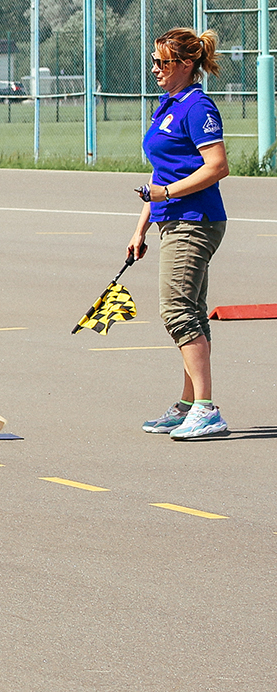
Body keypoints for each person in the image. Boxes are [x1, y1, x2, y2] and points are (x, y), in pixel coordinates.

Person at [128, 28, 230, 440]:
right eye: (153, 62)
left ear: (186, 64)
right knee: (191, 311)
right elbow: (161, 173)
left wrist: (167, 194)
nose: (155, 69)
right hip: (171, 219)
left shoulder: (197, 106)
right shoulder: (168, 105)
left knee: (177, 311)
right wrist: (140, 228)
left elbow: (217, 166)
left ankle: (206, 408)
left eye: (162, 62)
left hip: (195, 220)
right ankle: (188, 405)